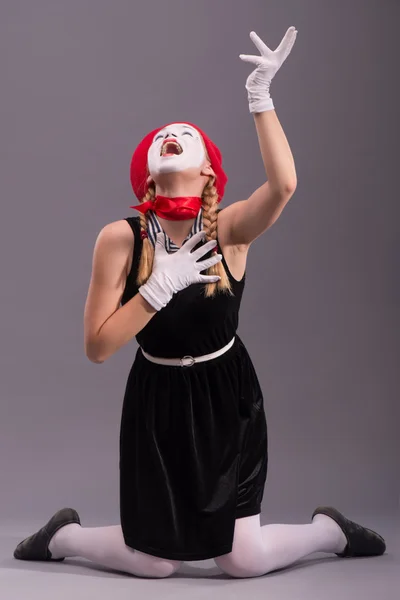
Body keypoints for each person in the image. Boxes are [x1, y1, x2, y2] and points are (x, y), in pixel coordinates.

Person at [13, 27, 386, 579]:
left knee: (240, 560)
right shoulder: (121, 238)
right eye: (164, 135)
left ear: (209, 168)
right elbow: (97, 347)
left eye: (184, 135)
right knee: (158, 564)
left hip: (226, 394)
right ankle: (64, 536)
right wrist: (156, 288)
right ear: (146, 172)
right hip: (156, 395)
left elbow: (282, 187)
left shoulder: (228, 227)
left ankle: (328, 530)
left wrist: (261, 97)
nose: (171, 135)